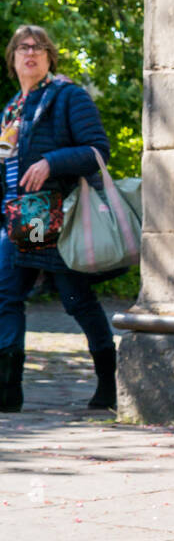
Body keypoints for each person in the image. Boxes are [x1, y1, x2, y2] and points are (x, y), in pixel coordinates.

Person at [0, 25, 118, 413]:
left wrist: (52, 161)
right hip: (23, 219)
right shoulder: (12, 108)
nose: (29, 53)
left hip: (61, 216)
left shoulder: (68, 96)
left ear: (50, 57)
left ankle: (108, 384)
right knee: (7, 295)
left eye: (38, 47)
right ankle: (8, 389)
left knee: (76, 301)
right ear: (12, 58)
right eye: (22, 47)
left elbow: (97, 150)